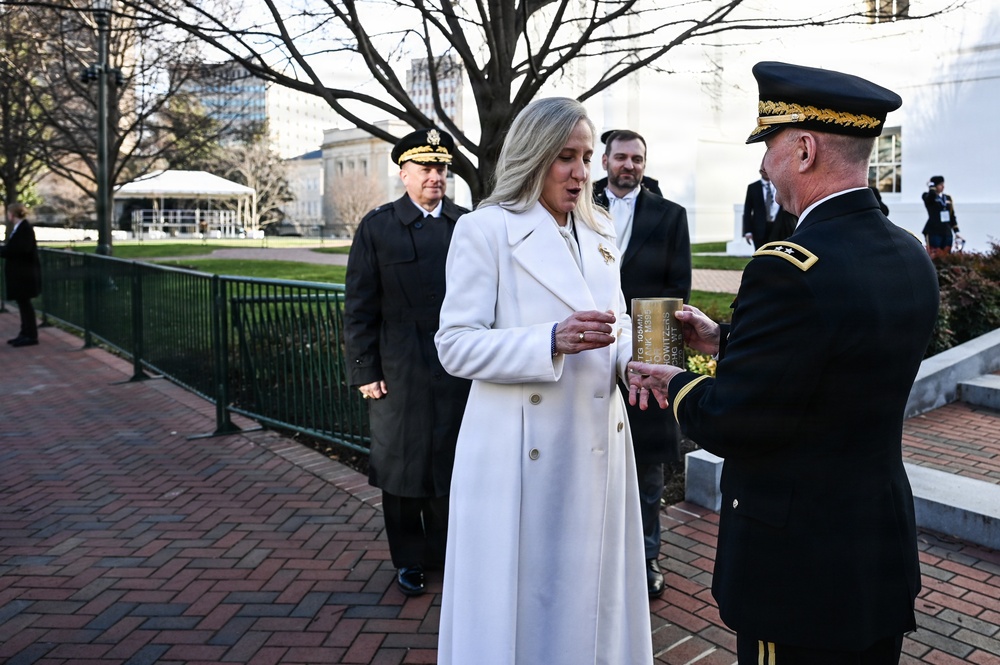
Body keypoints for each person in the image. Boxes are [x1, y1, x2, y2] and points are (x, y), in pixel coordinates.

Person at [628, 62, 939, 665]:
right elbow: (836, 362)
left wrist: (679, 382)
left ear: (803, 149)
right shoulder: (907, 252)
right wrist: (726, 342)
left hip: (798, 567)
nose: (763, 165)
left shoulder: (787, 266)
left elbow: (737, 420)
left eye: (768, 146)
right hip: (876, 551)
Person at [434, 97, 652, 664]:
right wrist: (547, 340)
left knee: (595, 593)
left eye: (585, 158)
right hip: (517, 453)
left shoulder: (600, 229)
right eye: (566, 158)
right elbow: (454, 345)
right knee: (522, 599)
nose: (581, 173)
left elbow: (617, 321)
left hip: (599, 438)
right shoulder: (485, 230)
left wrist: (634, 360)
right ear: (533, 156)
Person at [343, 128, 471, 597]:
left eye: (441, 168)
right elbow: (359, 305)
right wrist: (365, 369)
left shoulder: (466, 225)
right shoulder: (377, 227)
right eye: (426, 168)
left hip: (456, 368)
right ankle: (410, 560)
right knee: (400, 468)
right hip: (397, 370)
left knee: (448, 464)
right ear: (404, 173)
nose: (436, 176)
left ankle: (443, 554)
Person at [594, 128, 691, 597]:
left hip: (651, 346)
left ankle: (647, 556)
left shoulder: (671, 216)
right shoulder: (575, 205)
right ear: (605, 160)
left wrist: (660, 360)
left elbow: (679, 292)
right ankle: (595, 556)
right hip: (590, 344)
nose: (629, 166)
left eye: (637, 159)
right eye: (621, 158)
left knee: (648, 465)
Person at [1, 202, 42, 347]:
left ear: (11, 214)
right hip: (22, 274)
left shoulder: (24, 229)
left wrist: (3, 250)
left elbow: (18, 249)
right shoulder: (21, 228)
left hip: (25, 275)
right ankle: (25, 333)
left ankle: (30, 335)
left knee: (25, 305)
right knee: (23, 304)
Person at [743, 168, 797, 248]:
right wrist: (748, 231)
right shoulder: (753, 187)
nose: (767, 172)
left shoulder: (782, 186)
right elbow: (747, 210)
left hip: (779, 228)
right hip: (759, 230)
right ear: (760, 171)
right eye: (764, 170)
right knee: (761, 256)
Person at [921, 175, 961, 257]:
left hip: (946, 231)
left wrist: (956, 231)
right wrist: (931, 187)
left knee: (946, 254)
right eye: (940, 184)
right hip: (934, 230)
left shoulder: (947, 198)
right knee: (935, 254)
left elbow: (951, 215)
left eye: (943, 184)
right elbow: (930, 199)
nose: (943, 186)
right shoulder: (927, 196)